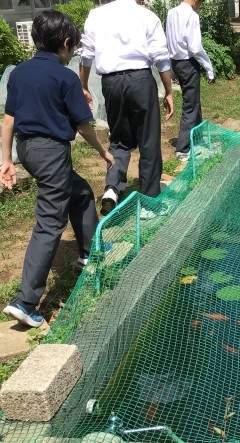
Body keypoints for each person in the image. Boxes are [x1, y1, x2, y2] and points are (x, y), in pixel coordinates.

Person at [1, 11, 114, 328]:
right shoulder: (65, 78)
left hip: (27, 150)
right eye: (73, 47)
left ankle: (90, 252)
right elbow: (83, 125)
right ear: (65, 43)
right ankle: (25, 302)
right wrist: (103, 151)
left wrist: (6, 160)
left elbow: (8, 120)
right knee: (50, 221)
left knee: (79, 192)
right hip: (51, 152)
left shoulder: (19, 72)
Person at [78, 0, 174, 218]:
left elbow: (86, 55)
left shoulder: (96, 15)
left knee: (119, 139)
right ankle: (149, 203)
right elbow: (161, 56)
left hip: (111, 82)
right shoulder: (146, 16)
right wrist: (168, 90)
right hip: (140, 80)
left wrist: (83, 86)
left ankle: (112, 189)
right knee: (148, 140)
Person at [166, 0, 215, 161]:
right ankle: (183, 149)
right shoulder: (191, 15)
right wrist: (208, 68)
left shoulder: (171, 13)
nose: (200, 5)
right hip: (188, 63)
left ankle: (197, 138)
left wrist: (171, 67)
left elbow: (168, 40)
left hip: (176, 62)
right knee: (190, 104)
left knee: (194, 102)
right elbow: (195, 47)